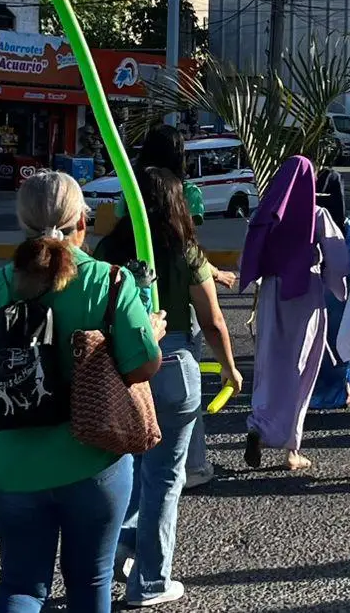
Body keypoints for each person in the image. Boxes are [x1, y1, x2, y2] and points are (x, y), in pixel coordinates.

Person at [0, 170, 166, 613]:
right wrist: (152, 330)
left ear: (23, 226)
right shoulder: (110, 282)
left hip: (14, 466)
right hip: (95, 460)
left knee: (20, 585)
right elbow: (141, 368)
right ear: (83, 222)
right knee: (90, 583)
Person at [94, 168, 242, 605]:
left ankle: (120, 547)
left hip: (123, 367)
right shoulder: (186, 251)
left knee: (130, 467)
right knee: (164, 478)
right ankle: (151, 581)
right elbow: (213, 322)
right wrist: (230, 369)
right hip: (176, 366)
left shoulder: (107, 249)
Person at [125, 125, 233, 489]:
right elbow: (188, 243)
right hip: (178, 327)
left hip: (130, 331)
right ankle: (193, 464)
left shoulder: (130, 191)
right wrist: (230, 368)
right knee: (187, 399)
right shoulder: (187, 198)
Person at [239, 155, 350, 472]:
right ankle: (291, 449)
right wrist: (338, 287)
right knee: (300, 369)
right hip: (305, 294)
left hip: (273, 293)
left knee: (270, 364)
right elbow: (338, 261)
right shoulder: (316, 215)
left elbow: (249, 253)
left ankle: (258, 425)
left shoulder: (267, 212)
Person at [309, 164, 350, 410]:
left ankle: (309, 392)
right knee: (338, 341)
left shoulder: (305, 217)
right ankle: (339, 392)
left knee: (311, 343)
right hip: (338, 292)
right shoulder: (343, 223)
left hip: (308, 291)